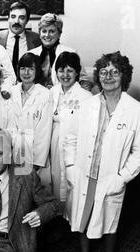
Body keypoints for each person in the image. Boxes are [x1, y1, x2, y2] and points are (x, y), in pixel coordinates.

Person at [64, 51, 140, 252]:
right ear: (98, 75)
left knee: (110, 221)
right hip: (84, 174)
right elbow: (70, 139)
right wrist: (71, 168)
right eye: (103, 71)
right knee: (81, 217)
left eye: (114, 71)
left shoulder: (136, 111)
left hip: (111, 177)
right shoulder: (86, 104)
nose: (108, 76)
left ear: (124, 76)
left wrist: (121, 178)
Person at [49, 51, 92, 207]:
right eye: (61, 70)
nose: (65, 75)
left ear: (77, 73)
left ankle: (70, 215)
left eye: (70, 70)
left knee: (70, 179)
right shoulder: (52, 92)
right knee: (54, 177)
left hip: (73, 146)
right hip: (53, 142)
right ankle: (56, 211)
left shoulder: (85, 97)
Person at [9, 52, 53, 188]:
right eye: (23, 68)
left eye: (31, 68)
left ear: (37, 71)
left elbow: (44, 131)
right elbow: (8, 124)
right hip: (12, 153)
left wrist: (35, 163)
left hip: (34, 158)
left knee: (31, 193)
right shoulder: (11, 92)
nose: (26, 72)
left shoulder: (45, 94)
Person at [28, 13, 91, 89]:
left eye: (51, 31)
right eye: (44, 31)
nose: (47, 35)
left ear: (59, 34)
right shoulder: (31, 54)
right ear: (39, 33)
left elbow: (84, 80)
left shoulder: (71, 53)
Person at [0, 1, 41, 76]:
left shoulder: (37, 39)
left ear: (27, 21)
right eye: (13, 17)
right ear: (8, 19)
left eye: (22, 18)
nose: (16, 21)